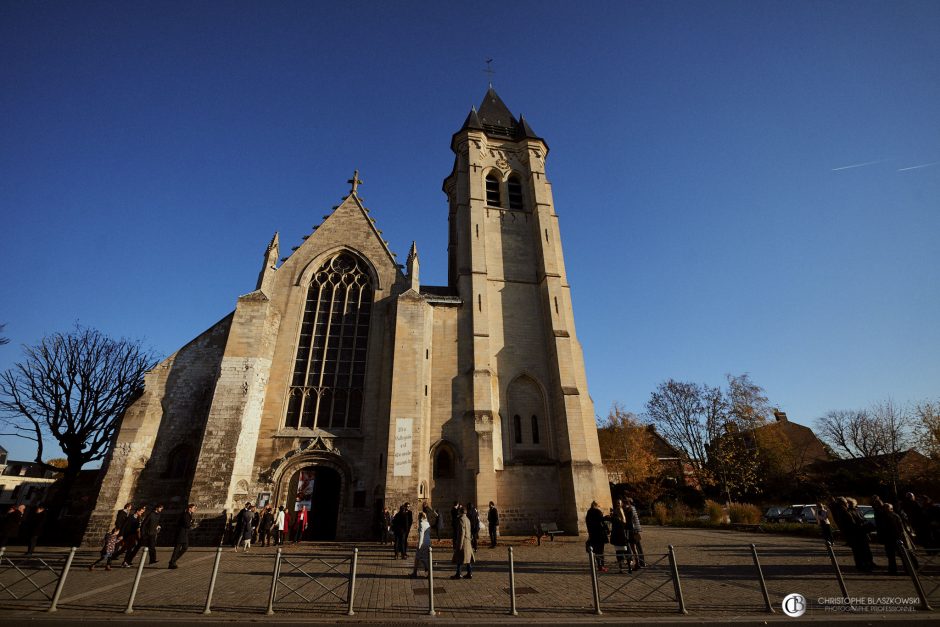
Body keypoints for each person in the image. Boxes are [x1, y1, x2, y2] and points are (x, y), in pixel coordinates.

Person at [168, 503, 196, 569]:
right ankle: (172, 562)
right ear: (190, 508)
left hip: (184, 534)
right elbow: (186, 524)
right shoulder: (185, 514)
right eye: (194, 508)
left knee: (185, 547)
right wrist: (191, 523)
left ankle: (172, 561)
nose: (195, 509)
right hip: (181, 534)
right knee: (177, 549)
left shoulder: (189, 514)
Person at [451, 505, 475, 579]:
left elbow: (462, 533)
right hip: (468, 541)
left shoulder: (461, 519)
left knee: (459, 558)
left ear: (461, 512)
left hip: (463, 541)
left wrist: (460, 545)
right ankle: (469, 573)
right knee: (467, 559)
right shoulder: (467, 519)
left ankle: (458, 574)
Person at [585, 501, 608, 572]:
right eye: (598, 506)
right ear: (596, 505)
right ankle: (601, 566)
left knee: (595, 550)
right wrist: (607, 529)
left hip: (592, 534)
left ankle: (598, 565)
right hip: (600, 534)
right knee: (600, 551)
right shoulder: (598, 512)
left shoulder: (588, 513)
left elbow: (588, 523)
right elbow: (602, 522)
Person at [609, 500, 630, 573]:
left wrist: (617, 519)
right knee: (618, 553)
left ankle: (629, 568)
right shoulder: (615, 511)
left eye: (619, 503)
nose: (617, 504)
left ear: (621, 504)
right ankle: (621, 568)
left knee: (624, 551)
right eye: (617, 503)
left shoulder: (620, 510)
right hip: (616, 535)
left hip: (621, 535)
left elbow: (624, 521)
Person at [624, 498, 645, 568]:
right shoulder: (633, 508)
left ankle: (638, 563)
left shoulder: (629, 509)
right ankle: (642, 562)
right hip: (636, 530)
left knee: (634, 547)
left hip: (632, 530)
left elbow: (629, 521)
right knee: (638, 546)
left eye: (626, 502)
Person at [411, 511, 432, 578]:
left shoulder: (422, 524)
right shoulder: (427, 523)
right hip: (428, 542)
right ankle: (416, 572)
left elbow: (421, 535)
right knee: (423, 558)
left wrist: (419, 546)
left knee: (420, 558)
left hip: (422, 543)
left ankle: (425, 572)